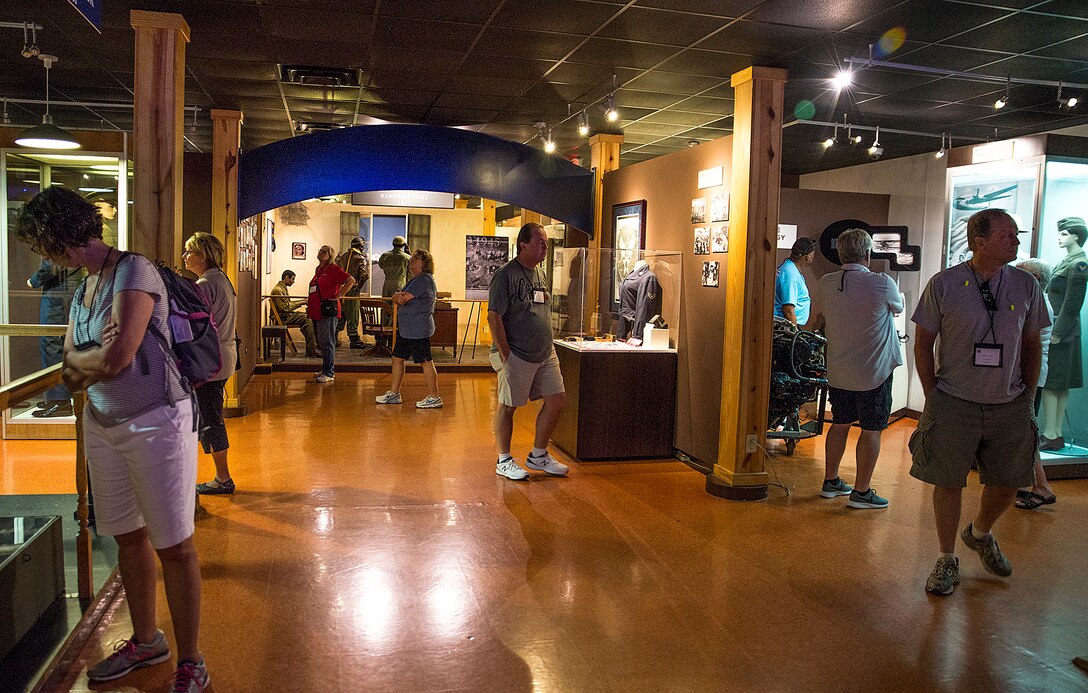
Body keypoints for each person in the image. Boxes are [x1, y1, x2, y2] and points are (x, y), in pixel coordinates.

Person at [14, 187, 207, 691]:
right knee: (127, 535)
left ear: (56, 237)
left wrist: (83, 361)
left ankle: (192, 660)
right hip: (103, 425)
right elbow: (76, 363)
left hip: (156, 420)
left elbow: (115, 357)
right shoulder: (88, 286)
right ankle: (147, 640)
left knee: (176, 545)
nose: (42, 256)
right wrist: (84, 361)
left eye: (41, 244)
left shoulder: (134, 272)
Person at [909, 209, 1047, 597]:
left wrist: (1028, 392)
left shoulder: (1025, 285)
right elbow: (923, 343)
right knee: (947, 480)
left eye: (1016, 235)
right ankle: (946, 559)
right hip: (954, 401)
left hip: (1010, 402)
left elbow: (1032, 342)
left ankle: (980, 532)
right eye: (1008, 236)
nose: (1017, 242)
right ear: (979, 241)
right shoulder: (945, 284)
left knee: (1010, 481)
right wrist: (932, 393)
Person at [815, 229, 904, 509]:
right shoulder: (882, 282)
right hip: (873, 372)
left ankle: (831, 481)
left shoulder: (827, 283)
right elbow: (897, 308)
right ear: (868, 253)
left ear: (840, 254)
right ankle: (862, 491)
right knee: (872, 429)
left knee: (840, 423)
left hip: (839, 370)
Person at [488, 222, 569, 480]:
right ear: (523, 245)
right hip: (517, 353)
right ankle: (504, 459)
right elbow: (494, 316)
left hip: (545, 353)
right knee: (509, 406)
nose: (545, 247)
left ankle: (538, 454)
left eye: (545, 242)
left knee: (556, 400)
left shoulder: (540, 274)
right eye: (540, 242)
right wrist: (505, 353)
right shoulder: (506, 275)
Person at [184, 233, 239, 496]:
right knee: (209, 415)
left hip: (210, 359)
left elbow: (195, 324)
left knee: (211, 418)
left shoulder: (205, 284)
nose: (185, 257)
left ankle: (223, 478)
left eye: (189, 252)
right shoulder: (221, 279)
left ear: (202, 255)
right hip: (223, 355)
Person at [1039, 216, 1086, 451]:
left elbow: (1073, 302)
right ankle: (1053, 433)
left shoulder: (1079, 264)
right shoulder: (1068, 261)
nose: (1060, 237)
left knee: (1053, 383)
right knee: (1056, 384)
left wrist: (1057, 332)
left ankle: (1052, 433)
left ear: (1077, 235)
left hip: (1062, 332)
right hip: (1061, 330)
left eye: (1065, 233)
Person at [1014, 258, 1057, 510]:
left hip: (1029, 377)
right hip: (1029, 376)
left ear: (1035, 280)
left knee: (1025, 433)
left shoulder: (1037, 305)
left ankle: (1042, 486)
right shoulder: (1038, 302)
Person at [375, 249, 442, 408]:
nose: (410, 264)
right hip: (407, 329)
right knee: (398, 359)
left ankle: (434, 397)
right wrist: (397, 296)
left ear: (423, 263)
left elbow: (402, 298)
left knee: (425, 362)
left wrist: (398, 296)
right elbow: (396, 296)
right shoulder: (415, 280)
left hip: (417, 329)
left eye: (413, 261)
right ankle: (394, 393)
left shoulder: (423, 280)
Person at [27, 259, 81, 417]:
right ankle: (55, 397)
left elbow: (56, 260)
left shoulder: (60, 236)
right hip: (59, 288)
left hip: (59, 290)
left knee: (52, 343)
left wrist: (35, 280)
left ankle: (60, 400)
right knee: (53, 343)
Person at [308, 244, 355, 383]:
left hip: (327, 310)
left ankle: (329, 372)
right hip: (317, 310)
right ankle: (325, 369)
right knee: (322, 341)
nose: (321, 252)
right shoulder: (319, 269)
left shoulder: (333, 269)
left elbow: (350, 280)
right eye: (320, 250)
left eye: (324, 251)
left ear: (330, 256)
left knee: (327, 341)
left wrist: (338, 296)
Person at [270, 269, 319, 357]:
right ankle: (312, 349)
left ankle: (312, 347)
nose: (293, 282)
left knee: (307, 318)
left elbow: (288, 305)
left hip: (285, 315)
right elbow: (285, 308)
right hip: (283, 317)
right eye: (292, 279)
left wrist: (302, 301)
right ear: (286, 277)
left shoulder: (282, 288)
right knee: (307, 319)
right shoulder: (278, 290)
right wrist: (302, 302)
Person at [335, 236, 370, 349]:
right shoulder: (360, 258)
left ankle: (334, 338)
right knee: (353, 314)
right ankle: (354, 340)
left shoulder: (343, 256)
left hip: (341, 290)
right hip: (352, 290)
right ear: (361, 246)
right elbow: (364, 275)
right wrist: (358, 286)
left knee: (341, 314)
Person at [775, 237, 817, 326]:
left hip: (787, 326)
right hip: (786, 327)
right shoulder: (790, 274)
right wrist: (794, 334)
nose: (813, 257)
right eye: (813, 254)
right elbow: (788, 310)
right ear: (807, 257)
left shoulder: (790, 269)